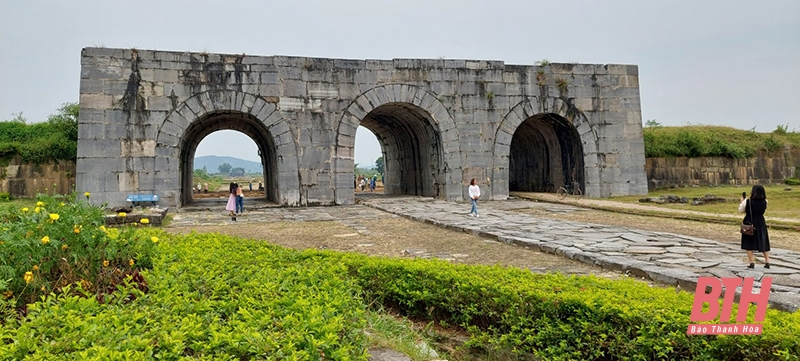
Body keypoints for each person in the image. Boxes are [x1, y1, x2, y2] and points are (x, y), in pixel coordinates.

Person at [739, 185, 770, 268]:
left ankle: (751, 262)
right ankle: (767, 261)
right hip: (760, 221)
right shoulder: (765, 201)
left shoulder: (748, 202)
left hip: (749, 221)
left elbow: (741, 210)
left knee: (749, 242)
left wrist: (742, 201)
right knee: (763, 241)